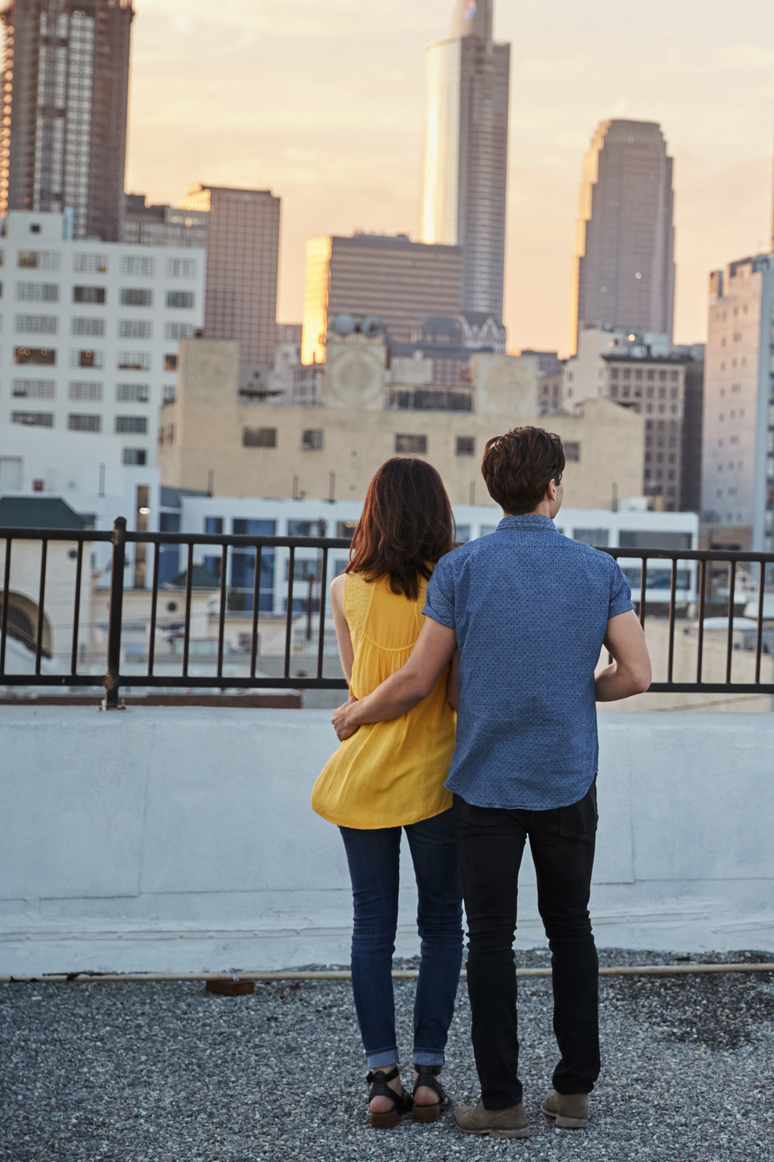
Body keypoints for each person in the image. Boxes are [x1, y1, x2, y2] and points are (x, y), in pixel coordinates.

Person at [340, 425, 654, 1137]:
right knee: (570, 929)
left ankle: (502, 1102)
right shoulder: (597, 568)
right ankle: (573, 1092)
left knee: (489, 938)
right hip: (567, 777)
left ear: (493, 490)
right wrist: (579, 692)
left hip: (483, 781)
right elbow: (636, 674)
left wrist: (358, 712)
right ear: (552, 487)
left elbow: (422, 679)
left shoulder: (461, 570)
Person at [312, 457, 462, 1129]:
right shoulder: (452, 584)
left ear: (373, 510)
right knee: (440, 926)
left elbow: (357, 692)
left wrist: (359, 712)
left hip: (365, 776)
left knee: (371, 928)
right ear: (438, 512)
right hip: (437, 777)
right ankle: (429, 1074)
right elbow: (451, 690)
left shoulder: (345, 588)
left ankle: (382, 1078)